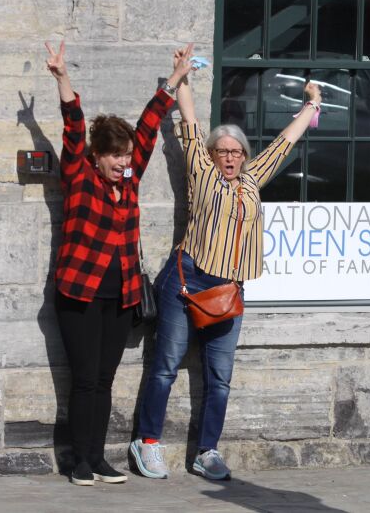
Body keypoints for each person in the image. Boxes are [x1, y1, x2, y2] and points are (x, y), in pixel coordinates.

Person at [130, 45, 322, 481]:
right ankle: (148, 442)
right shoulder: (202, 172)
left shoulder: (253, 178)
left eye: (237, 151)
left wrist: (311, 103)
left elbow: (285, 142)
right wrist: (182, 77)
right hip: (188, 280)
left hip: (230, 289)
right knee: (165, 366)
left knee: (220, 378)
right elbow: (191, 127)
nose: (231, 157)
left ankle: (207, 452)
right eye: (224, 151)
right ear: (213, 155)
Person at [46, 40, 192, 486]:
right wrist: (62, 78)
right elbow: (73, 127)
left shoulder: (128, 181)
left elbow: (148, 128)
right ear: (98, 155)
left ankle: (98, 458)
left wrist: (174, 79)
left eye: (126, 156)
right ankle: (79, 462)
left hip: (121, 293)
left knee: (106, 379)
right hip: (79, 292)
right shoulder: (79, 176)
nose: (124, 162)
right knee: (85, 379)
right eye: (115, 156)